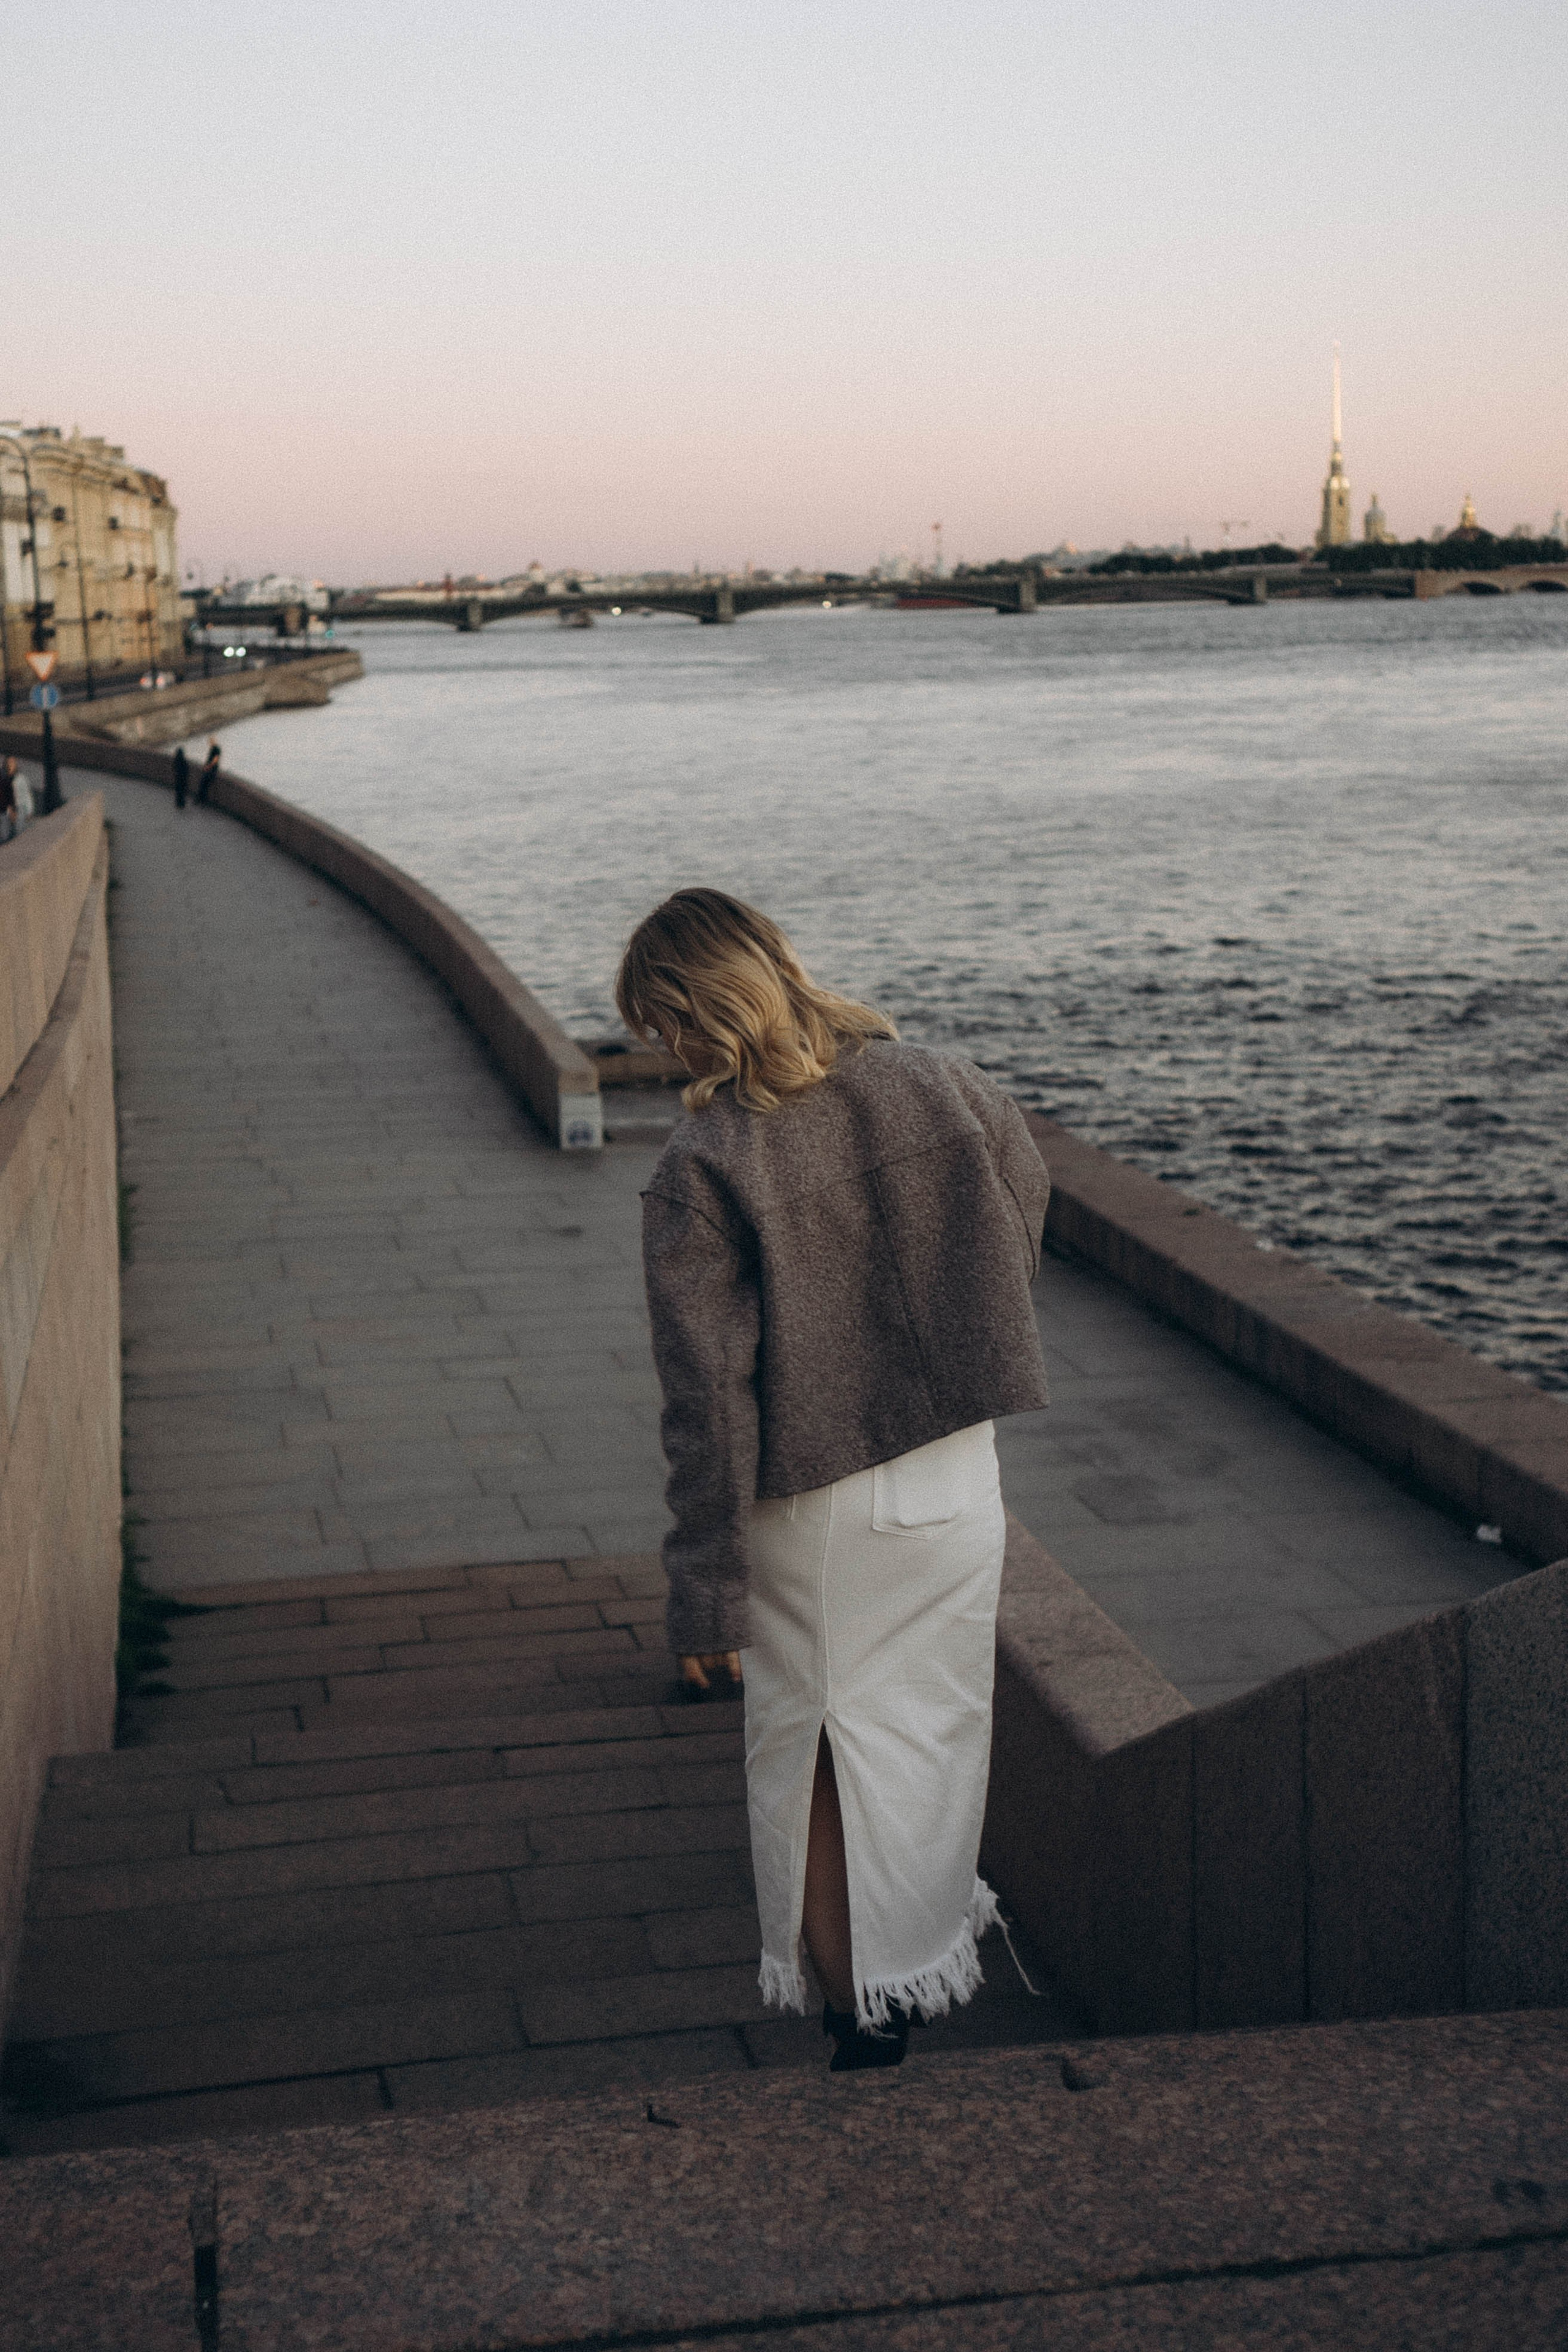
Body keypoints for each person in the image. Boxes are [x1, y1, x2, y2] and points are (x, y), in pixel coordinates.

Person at [616, 889, 1050, 2073]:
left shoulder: (705, 1160)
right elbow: (1024, 1213)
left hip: (818, 1509)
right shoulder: (938, 1081)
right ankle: (915, 1965)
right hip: (958, 1483)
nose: (662, 1054)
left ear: (687, 1012)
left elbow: (709, 1404)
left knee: (810, 1749)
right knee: (927, 1733)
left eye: (658, 1028)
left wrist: (704, 1594)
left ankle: (861, 2018)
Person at [0, 757, 17, 845]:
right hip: (3, 810)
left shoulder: (4, 778)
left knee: (5, 836)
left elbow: (9, 795)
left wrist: (12, 810)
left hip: (3, 811)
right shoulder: (5, 778)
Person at [197, 740, 221, 804]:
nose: (210, 744)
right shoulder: (214, 749)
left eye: (211, 742)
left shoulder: (216, 750)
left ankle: (202, 800)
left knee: (204, 785)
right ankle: (201, 800)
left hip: (211, 771)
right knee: (204, 785)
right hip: (210, 771)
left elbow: (215, 761)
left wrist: (208, 767)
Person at [172, 744, 189, 811]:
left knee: (178, 791)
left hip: (178, 778)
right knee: (183, 791)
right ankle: (182, 803)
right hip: (184, 778)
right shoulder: (184, 761)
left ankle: (178, 803)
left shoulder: (176, 760)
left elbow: (174, 768)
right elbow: (187, 769)